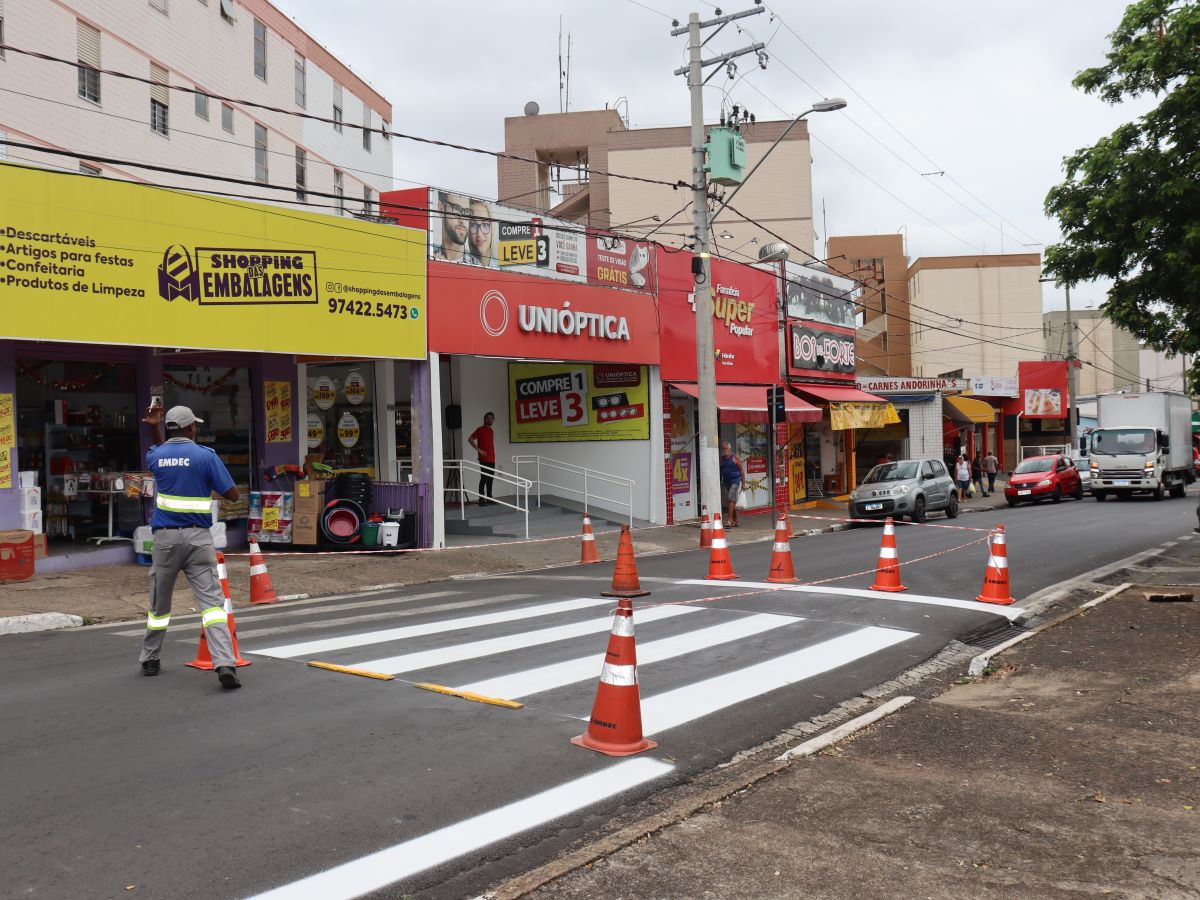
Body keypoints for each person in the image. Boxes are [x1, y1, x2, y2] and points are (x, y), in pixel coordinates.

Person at [139, 404, 242, 689]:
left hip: (165, 541)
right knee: (212, 607)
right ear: (192, 428)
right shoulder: (205, 456)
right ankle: (224, 663)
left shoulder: (155, 456)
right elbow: (232, 495)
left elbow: (167, 454)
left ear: (169, 427)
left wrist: (153, 426)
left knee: (159, 604)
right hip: (198, 540)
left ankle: (150, 659)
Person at [467, 412, 497, 505]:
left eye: (491, 418)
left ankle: (489, 498)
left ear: (493, 420)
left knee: (490, 479)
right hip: (484, 459)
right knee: (484, 478)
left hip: (492, 458)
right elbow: (470, 439)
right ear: (484, 419)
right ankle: (481, 499)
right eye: (487, 418)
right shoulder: (480, 430)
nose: (489, 420)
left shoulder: (491, 431)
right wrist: (479, 450)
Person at [431, 191, 470, 262]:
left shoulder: (479, 267)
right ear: (441, 208)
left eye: (467, 212)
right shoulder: (428, 253)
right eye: (456, 210)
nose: (462, 220)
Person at [720, 441, 745, 527]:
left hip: (735, 481)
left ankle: (730, 520)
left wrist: (743, 484)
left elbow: (741, 471)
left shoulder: (735, 458)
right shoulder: (721, 459)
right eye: (723, 448)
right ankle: (736, 520)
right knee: (732, 501)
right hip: (726, 482)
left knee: (730, 498)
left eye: (726, 448)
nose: (724, 450)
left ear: (729, 448)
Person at [466, 199, 495, 267]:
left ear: (492, 228)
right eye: (473, 225)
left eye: (485, 225)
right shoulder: (461, 264)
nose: (479, 234)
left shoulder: (503, 268)